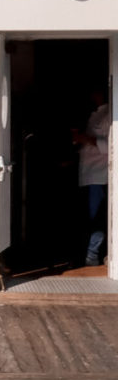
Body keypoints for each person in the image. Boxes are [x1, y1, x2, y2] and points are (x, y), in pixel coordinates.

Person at [72, 88, 109, 267]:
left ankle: (92, 255)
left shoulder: (110, 114)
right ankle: (88, 254)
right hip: (87, 174)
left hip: (100, 175)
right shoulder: (92, 115)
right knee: (88, 217)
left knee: (97, 217)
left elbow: (110, 145)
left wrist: (85, 139)